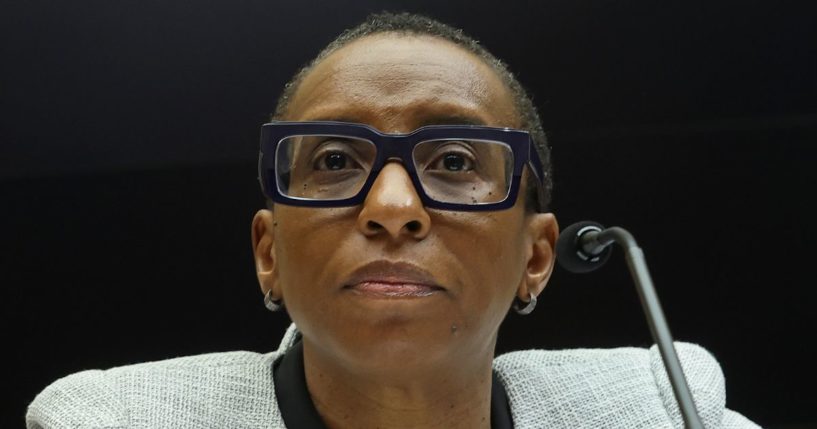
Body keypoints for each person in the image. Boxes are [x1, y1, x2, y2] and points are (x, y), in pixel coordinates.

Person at [26, 12, 759, 429]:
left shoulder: (663, 410)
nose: (392, 209)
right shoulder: (118, 420)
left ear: (536, 257)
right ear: (268, 252)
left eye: (453, 163)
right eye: (337, 159)